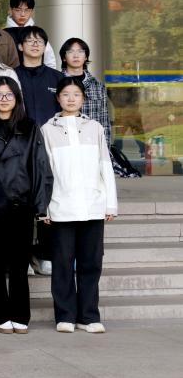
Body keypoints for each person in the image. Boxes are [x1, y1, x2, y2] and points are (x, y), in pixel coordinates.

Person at [0, 77, 52, 335]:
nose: (4, 99)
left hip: (22, 203)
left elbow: (39, 165)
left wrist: (40, 205)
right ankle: (0, 315)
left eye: (9, 94)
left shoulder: (30, 127)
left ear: (17, 98)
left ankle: (20, 314)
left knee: (19, 263)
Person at [41, 76, 118, 334]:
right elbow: (45, 171)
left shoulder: (94, 127)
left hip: (92, 205)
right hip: (60, 207)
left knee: (91, 263)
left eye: (76, 94)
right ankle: (65, 315)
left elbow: (105, 165)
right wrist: (44, 208)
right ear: (58, 98)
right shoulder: (47, 129)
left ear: (83, 99)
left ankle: (88, 316)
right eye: (66, 94)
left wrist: (110, 204)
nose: (71, 99)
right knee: (62, 264)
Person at [59, 37, 112, 144]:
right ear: (64, 58)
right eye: (70, 52)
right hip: (64, 142)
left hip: (92, 142)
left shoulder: (97, 86)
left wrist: (105, 147)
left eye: (80, 51)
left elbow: (104, 120)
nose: (76, 55)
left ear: (86, 57)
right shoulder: (56, 82)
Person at [15, 27, 64, 135]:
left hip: (53, 135)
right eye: (30, 40)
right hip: (20, 136)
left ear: (45, 47)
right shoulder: (12, 75)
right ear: (20, 46)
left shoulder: (58, 77)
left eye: (40, 41)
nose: (35, 44)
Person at [4, 0, 58, 69]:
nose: (22, 14)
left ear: (31, 11)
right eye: (18, 10)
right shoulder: (3, 34)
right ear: (11, 10)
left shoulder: (38, 34)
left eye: (27, 10)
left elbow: (50, 62)